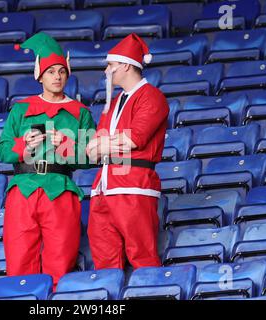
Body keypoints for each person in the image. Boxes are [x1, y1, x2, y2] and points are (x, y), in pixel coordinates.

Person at [0, 32, 96, 288]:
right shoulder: (21, 109)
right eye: (51, 71)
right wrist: (24, 144)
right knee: (19, 262)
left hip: (60, 190)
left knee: (60, 263)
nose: (57, 77)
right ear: (40, 75)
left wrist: (64, 145)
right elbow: (3, 150)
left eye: (61, 71)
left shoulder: (80, 112)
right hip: (23, 188)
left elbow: (90, 156)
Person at [86, 33, 169, 270]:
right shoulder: (111, 103)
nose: (106, 71)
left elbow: (135, 139)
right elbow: (92, 151)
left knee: (142, 257)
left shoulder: (152, 97)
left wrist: (102, 146)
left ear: (124, 65)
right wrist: (102, 146)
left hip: (134, 186)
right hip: (102, 187)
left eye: (110, 65)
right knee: (104, 263)